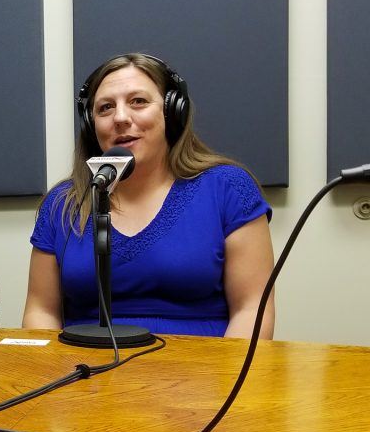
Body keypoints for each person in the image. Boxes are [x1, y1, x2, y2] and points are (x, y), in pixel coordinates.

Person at [22, 54, 274, 338]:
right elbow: (41, 311)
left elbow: (252, 308)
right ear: (91, 124)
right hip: (88, 376)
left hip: (205, 377)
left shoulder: (228, 189)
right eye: (105, 108)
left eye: (138, 101)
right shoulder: (63, 203)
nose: (120, 117)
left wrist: (229, 380)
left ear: (172, 111)